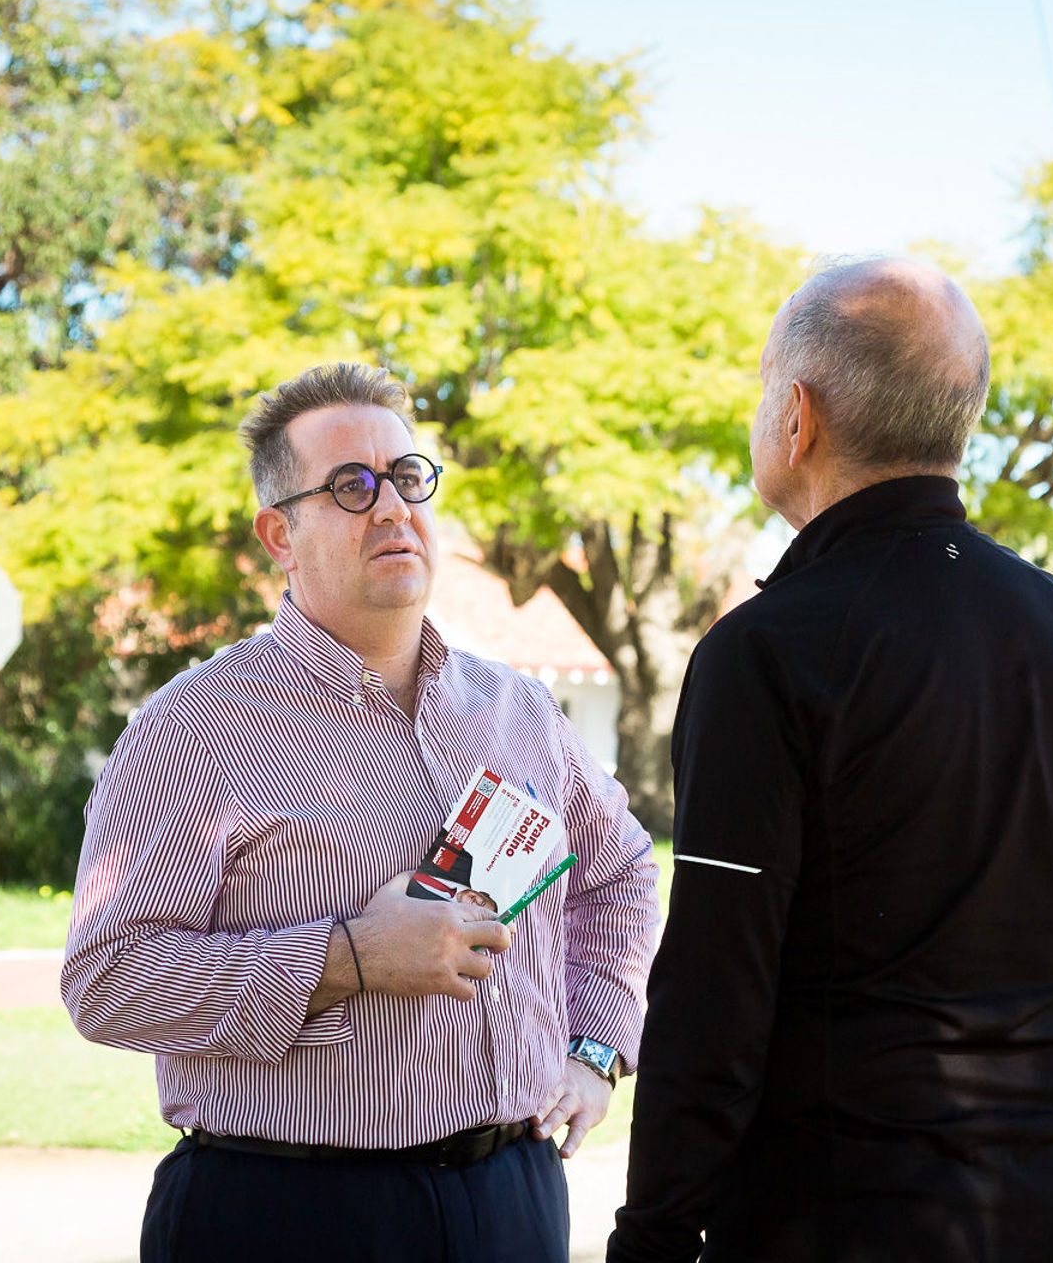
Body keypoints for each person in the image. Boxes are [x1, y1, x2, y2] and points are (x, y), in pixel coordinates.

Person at [609, 260, 1053, 1263]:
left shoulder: (767, 653)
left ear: (796, 417)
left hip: (830, 1216)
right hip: (1042, 1203)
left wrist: (653, 1235)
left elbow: (714, 991)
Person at [63, 362, 661, 1263]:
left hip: (514, 1200)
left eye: (408, 477)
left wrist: (598, 1048)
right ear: (280, 533)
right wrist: (348, 958)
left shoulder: (521, 711)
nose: (391, 508)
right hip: (286, 1214)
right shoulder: (194, 729)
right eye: (351, 486)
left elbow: (618, 873)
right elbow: (106, 979)